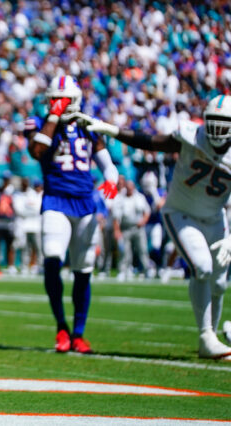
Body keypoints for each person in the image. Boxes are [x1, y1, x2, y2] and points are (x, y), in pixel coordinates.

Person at [78, 94, 231, 359]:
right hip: (181, 213)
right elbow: (150, 141)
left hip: (216, 218)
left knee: (219, 283)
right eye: (213, 122)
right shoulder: (192, 135)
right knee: (202, 267)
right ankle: (206, 334)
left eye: (223, 123)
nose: (217, 129)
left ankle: (212, 337)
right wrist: (112, 130)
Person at [26, 75, 119, 354]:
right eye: (55, 99)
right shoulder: (40, 123)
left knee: (84, 269)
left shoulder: (89, 125)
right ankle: (61, 327)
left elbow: (107, 163)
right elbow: (37, 150)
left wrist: (112, 179)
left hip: (85, 202)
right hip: (56, 199)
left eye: (63, 100)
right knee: (53, 258)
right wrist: (54, 117)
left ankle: (78, 333)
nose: (59, 104)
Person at [112, 180, 152, 281]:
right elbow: (116, 217)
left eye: (131, 188)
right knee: (125, 251)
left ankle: (146, 270)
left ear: (134, 187)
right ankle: (123, 271)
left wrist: (143, 221)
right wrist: (117, 230)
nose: (129, 189)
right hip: (125, 228)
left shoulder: (140, 197)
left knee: (142, 250)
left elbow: (147, 211)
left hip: (138, 228)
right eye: (128, 188)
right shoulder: (120, 198)